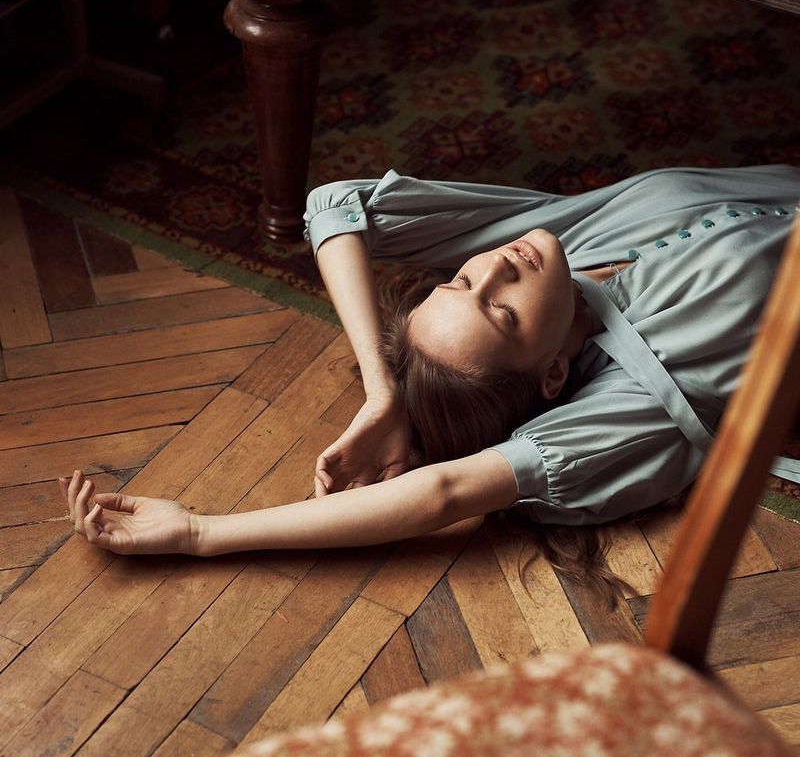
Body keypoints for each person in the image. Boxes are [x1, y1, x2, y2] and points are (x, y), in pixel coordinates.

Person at [61, 165, 799, 584]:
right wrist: (199, 532)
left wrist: (382, 387)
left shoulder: (555, 248)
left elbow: (335, 207)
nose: (498, 269)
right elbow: (442, 492)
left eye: (460, 283)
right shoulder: (634, 396)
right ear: (549, 378)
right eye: (501, 313)